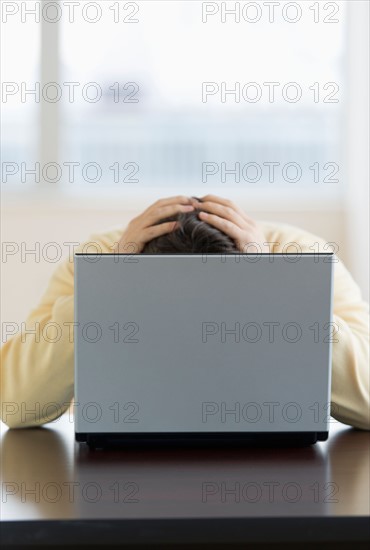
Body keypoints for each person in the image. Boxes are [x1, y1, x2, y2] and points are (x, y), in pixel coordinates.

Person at [1, 195, 369, 429]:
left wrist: (274, 282)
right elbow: (17, 403)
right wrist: (109, 279)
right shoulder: (102, 256)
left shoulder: (298, 256)